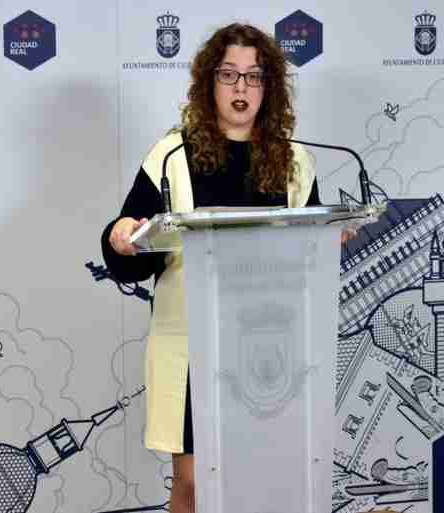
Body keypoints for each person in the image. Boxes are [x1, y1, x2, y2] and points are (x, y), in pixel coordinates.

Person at [101, 23, 331, 513]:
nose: (240, 87)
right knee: (192, 484)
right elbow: (133, 243)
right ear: (210, 83)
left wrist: (330, 237)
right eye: (229, 75)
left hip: (272, 350)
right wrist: (120, 237)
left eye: (253, 76)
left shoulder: (297, 162)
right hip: (194, 349)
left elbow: (310, 257)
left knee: (264, 480)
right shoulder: (171, 156)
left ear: (269, 87)